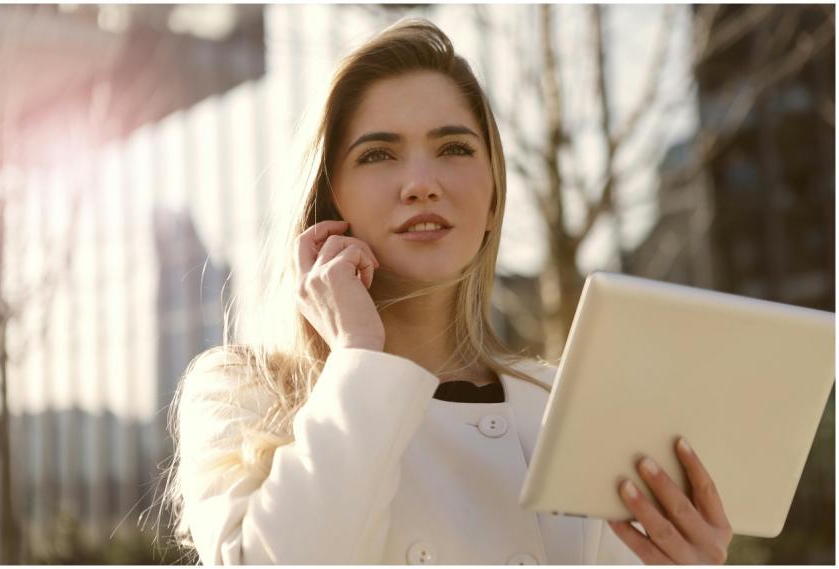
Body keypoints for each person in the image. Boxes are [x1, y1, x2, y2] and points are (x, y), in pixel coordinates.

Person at [162, 17, 733, 565]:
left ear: (493, 199)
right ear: (328, 202)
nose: (421, 185)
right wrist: (359, 355)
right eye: (377, 154)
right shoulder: (244, 394)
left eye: (454, 148)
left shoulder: (566, 408)